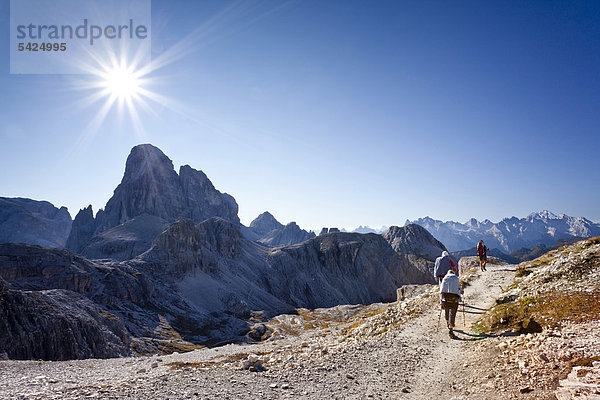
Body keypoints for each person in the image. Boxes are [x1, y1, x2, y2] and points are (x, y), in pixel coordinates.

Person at [440, 269, 464, 335]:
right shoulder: (456, 278)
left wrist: (441, 301)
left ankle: (447, 321)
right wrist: (462, 291)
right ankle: (451, 326)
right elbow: (460, 289)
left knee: (447, 310)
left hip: (445, 298)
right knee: (452, 312)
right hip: (454, 298)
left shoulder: (444, 279)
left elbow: (441, 291)